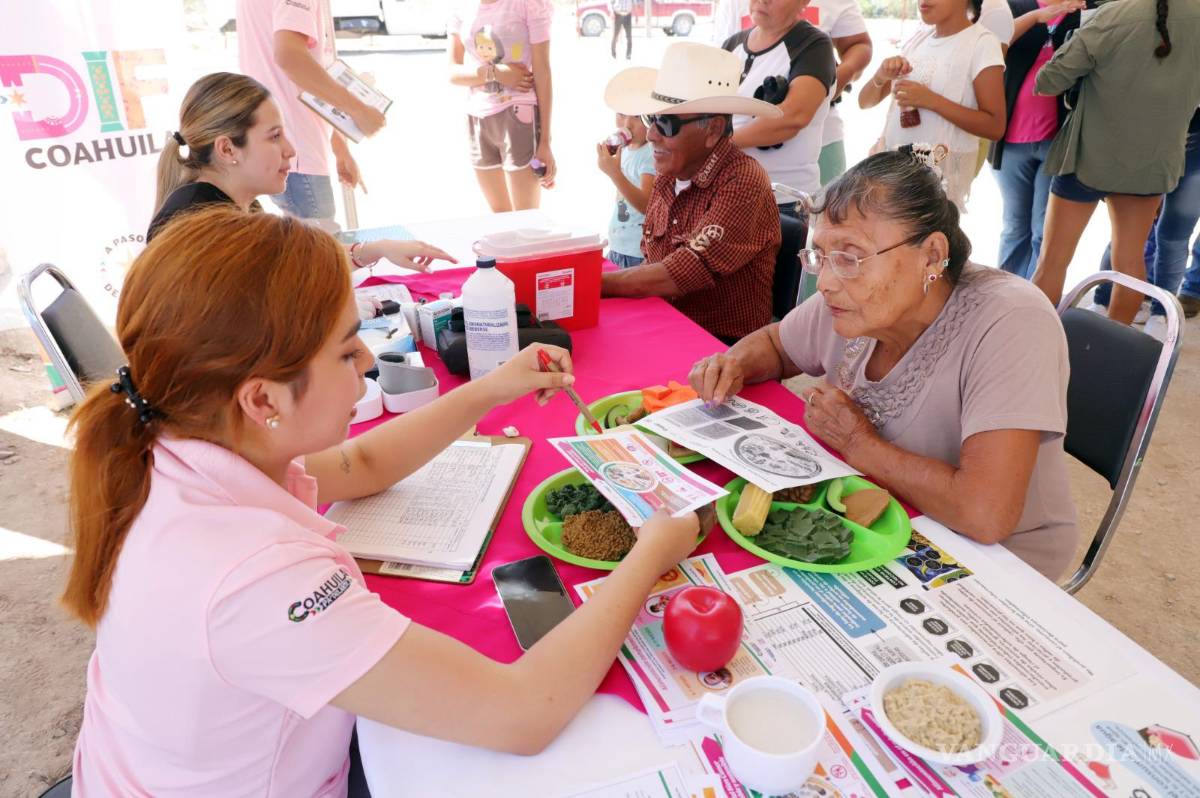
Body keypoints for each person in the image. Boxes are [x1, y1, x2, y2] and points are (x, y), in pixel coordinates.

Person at [65, 207, 702, 795]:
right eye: (347, 350)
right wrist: (650, 554)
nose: (369, 361)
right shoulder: (252, 578)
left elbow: (362, 464)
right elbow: (524, 711)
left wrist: (494, 387)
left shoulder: (180, 442)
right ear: (262, 400)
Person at [687, 152, 1078, 581]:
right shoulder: (851, 301)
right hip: (881, 513)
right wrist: (732, 365)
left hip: (994, 559)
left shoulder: (1012, 322)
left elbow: (984, 512)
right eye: (821, 256)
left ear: (931, 256)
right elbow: (776, 346)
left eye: (850, 257)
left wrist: (857, 442)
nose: (826, 282)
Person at [151, 73, 454, 276]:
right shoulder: (207, 230)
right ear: (228, 149)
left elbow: (298, 258)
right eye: (274, 136)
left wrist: (378, 249)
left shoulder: (231, 206)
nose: (290, 150)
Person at [600, 42, 784, 344]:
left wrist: (590, 284)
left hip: (721, 347)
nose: (651, 134)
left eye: (666, 123)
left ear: (713, 130)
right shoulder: (669, 173)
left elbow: (680, 272)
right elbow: (653, 258)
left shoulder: (742, 180)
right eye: (651, 119)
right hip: (669, 324)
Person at [1031, 0, 1200, 324]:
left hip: (1088, 155)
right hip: (1154, 160)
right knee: (1130, 265)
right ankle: (1113, 343)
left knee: (1052, 261)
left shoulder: (1113, 15)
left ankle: (1037, 340)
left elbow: (1048, 81)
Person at [236, 0, 385, 227]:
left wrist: (339, 146)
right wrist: (359, 111)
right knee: (321, 245)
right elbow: (290, 58)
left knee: (306, 242)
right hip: (297, 152)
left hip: (284, 147)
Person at [857, 0, 1007, 211]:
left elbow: (995, 126)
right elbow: (864, 102)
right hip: (892, 174)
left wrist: (931, 100)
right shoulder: (918, 41)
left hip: (936, 186)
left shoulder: (981, 43)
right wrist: (881, 76)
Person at [988, 0, 1086, 279]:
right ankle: (1006, 294)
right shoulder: (1013, 6)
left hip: (1058, 142)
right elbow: (989, 46)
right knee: (1014, 227)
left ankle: (1034, 297)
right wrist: (1035, 17)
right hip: (1010, 141)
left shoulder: (1087, 10)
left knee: (1044, 232)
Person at [1090, 106, 1200, 338]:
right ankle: (1103, 300)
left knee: (1172, 235)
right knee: (1130, 228)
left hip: (1194, 137)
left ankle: (1161, 315)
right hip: (1153, 129)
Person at [722, 0, 836, 215]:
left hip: (783, 202)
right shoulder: (732, 45)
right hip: (726, 195)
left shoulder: (813, 45)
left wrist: (718, 146)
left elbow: (792, 118)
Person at [448, 0, 556, 213]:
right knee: (500, 218)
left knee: (526, 220)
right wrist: (496, 72)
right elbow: (452, 73)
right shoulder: (459, 7)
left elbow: (543, 71)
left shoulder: (529, 4)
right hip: (477, 118)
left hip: (518, 118)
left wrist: (545, 141)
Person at [810, 0, 874, 186]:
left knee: (827, 201)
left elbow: (858, 44)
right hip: (746, 138)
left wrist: (840, 76)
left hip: (823, 136)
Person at [598, 113, 655, 268]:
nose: (627, 124)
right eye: (622, 114)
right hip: (617, 246)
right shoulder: (623, 150)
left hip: (637, 251)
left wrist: (614, 173)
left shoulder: (650, 154)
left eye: (637, 116)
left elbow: (646, 205)